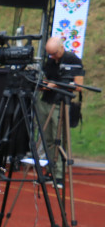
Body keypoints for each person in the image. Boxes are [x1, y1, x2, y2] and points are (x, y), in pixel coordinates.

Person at [40, 36, 84, 188]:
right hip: (46, 101)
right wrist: (44, 84)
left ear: (61, 48)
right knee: (47, 139)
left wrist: (56, 86)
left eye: (54, 54)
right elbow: (46, 78)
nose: (52, 57)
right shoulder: (51, 60)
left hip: (61, 103)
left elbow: (78, 86)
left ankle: (59, 175)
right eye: (50, 54)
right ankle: (49, 171)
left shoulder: (73, 60)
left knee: (58, 139)